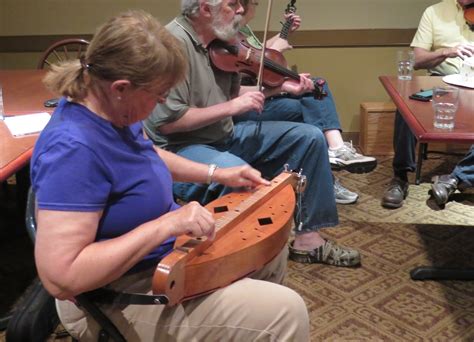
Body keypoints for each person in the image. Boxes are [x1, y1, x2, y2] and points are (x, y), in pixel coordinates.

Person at [31, 10, 310, 341]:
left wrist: (218, 174)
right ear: (121, 87)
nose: (162, 103)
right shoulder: (73, 150)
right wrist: (165, 225)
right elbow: (62, 278)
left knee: (265, 249)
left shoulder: (115, 111)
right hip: (115, 293)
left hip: (166, 260)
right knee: (284, 312)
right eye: (159, 96)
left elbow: (148, 156)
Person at [144, 0, 361, 267]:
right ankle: (232, 258)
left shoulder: (223, 42)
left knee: (309, 138)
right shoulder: (171, 45)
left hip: (223, 135)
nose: (240, 10)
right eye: (232, 4)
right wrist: (231, 107)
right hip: (181, 149)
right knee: (237, 171)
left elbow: (233, 94)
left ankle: (309, 241)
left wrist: (280, 89)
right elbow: (168, 123)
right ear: (204, 9)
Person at [234, 0, 377, 205]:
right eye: (255, 3)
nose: (255, 8)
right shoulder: (227, 35)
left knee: (316, 90)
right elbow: (248, 70)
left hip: (263, 95)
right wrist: (278, 61)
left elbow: (256, 52)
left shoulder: (241, 30)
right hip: (248, 104)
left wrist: (284, 33)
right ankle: (331, 162)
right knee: (311, 112)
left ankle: (330, 164)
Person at [382, 0, 474, 209]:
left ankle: (455, 179)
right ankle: (400, 176)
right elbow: (418, 59)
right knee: (406, 107)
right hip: (442, 85)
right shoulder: (434, 12)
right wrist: (446, 51)